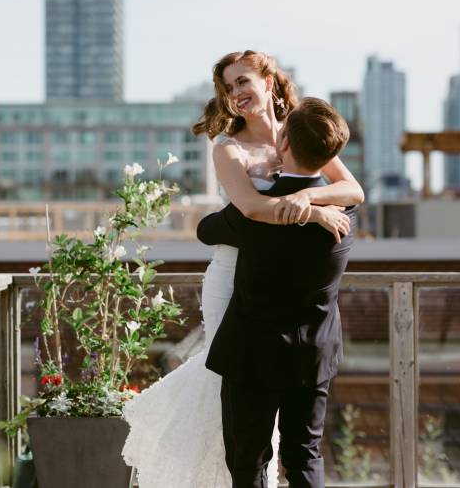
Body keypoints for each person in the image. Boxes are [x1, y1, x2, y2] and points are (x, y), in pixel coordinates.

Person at [121, 51, 364, 487]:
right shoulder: (228, 147)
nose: (235, 94)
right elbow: (250, 208)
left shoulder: (301, 130)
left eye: (242, 82)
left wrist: (307, 200)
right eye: (228, 88)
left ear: (269, 81)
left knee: (261, 396)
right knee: (233, 384)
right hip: (234, 273)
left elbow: (353, 189)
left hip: (275, 273)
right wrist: (313, 213)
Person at [198, 96, 358, 488]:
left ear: (283, 144)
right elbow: (352, 189)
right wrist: (309, 199)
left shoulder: (254, 214)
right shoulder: (346, 214)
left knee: (248, 459)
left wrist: (266, 184)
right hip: (314, 352)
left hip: (253, 352)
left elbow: (206, 230)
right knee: (305, 455)